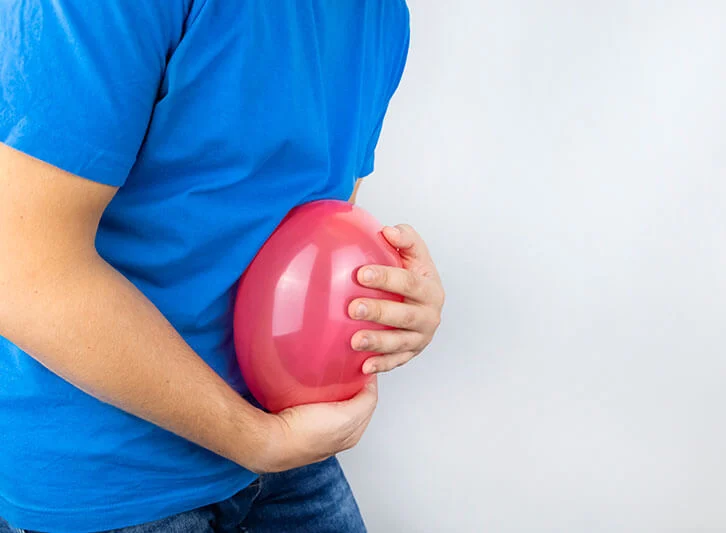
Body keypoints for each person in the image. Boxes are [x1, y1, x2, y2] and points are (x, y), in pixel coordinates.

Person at [0, 1, 445, 532]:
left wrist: (395, 303)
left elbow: (306, 227)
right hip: (106, 472)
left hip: (280, 439)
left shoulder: (380, 16)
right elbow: (19, 268)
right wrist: (257, 440)